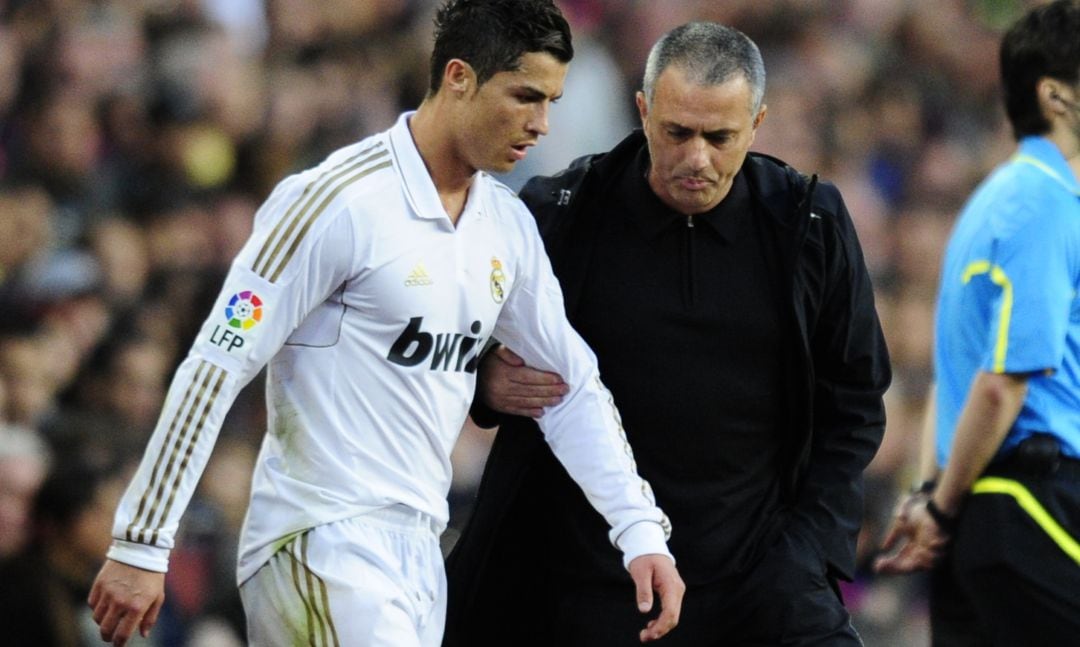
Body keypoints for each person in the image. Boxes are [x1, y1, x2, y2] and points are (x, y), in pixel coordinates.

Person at [87, 2, 684, 645]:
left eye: (552, 102)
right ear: (458, 77)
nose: (541, 125)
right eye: (524, 97)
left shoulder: (505, 227)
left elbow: (571, 386)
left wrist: (639, 529)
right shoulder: (334, 201)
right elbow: (218, 359)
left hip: (419, 555)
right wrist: (143, 540)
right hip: (317, 539)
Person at [444, 21, 891, 646]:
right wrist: (485, 377)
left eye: (720, 137)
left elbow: (855, 402)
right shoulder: (562, 215)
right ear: (643, 111)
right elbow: (443, 336)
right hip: (590, 579)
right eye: (677, 133)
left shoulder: (807, 225)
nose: (697, 158)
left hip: (761, 581)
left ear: (757, 125)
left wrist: (809, 550)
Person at [874, 1, 1080, 643]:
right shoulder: (1046, 204)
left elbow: (949, 379)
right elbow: (1000, 383)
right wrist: (939, 504)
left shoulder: (985, 205)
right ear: (1054, 94)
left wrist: (933, 499)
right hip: (1033, 510)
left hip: (979, 520)